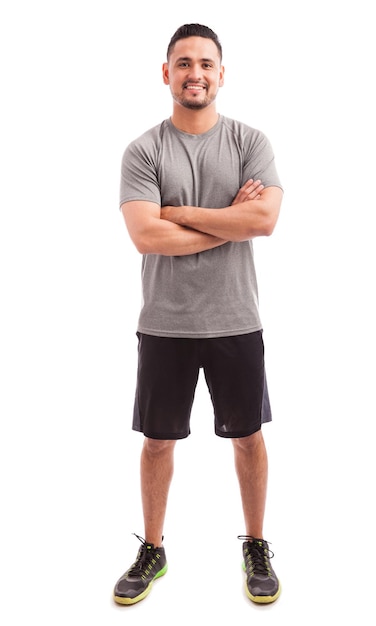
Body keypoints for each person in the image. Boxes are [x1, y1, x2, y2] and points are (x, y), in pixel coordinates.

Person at [113, 23, 284, 605]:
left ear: (220, 74)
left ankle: (256, 544)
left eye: (206, 64)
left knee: (249, 438)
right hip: (165, 323)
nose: (195, 73)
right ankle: (153, 548)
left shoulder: (250, 143)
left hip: (237, 318)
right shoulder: (143, 150)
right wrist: (221, 219)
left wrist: (179, 214)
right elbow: (144, 235)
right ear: (167, 74)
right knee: (158, 442)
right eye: (183, 63)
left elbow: (262, 222)